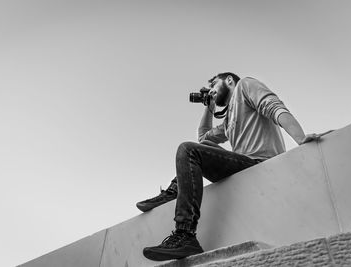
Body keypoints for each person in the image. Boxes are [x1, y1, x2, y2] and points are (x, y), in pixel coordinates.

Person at [138, 72, 322, 261]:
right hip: (242, 166)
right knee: (201, 147)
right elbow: (203, 139)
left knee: (187, 149)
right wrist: (208, 108)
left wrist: (300, 138)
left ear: (228, 80)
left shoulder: (245, 85)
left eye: (214, 86)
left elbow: (273, 107)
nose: (211, 92)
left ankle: (185, 234)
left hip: (259, 162)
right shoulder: (228, 120)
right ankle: (174, 191)